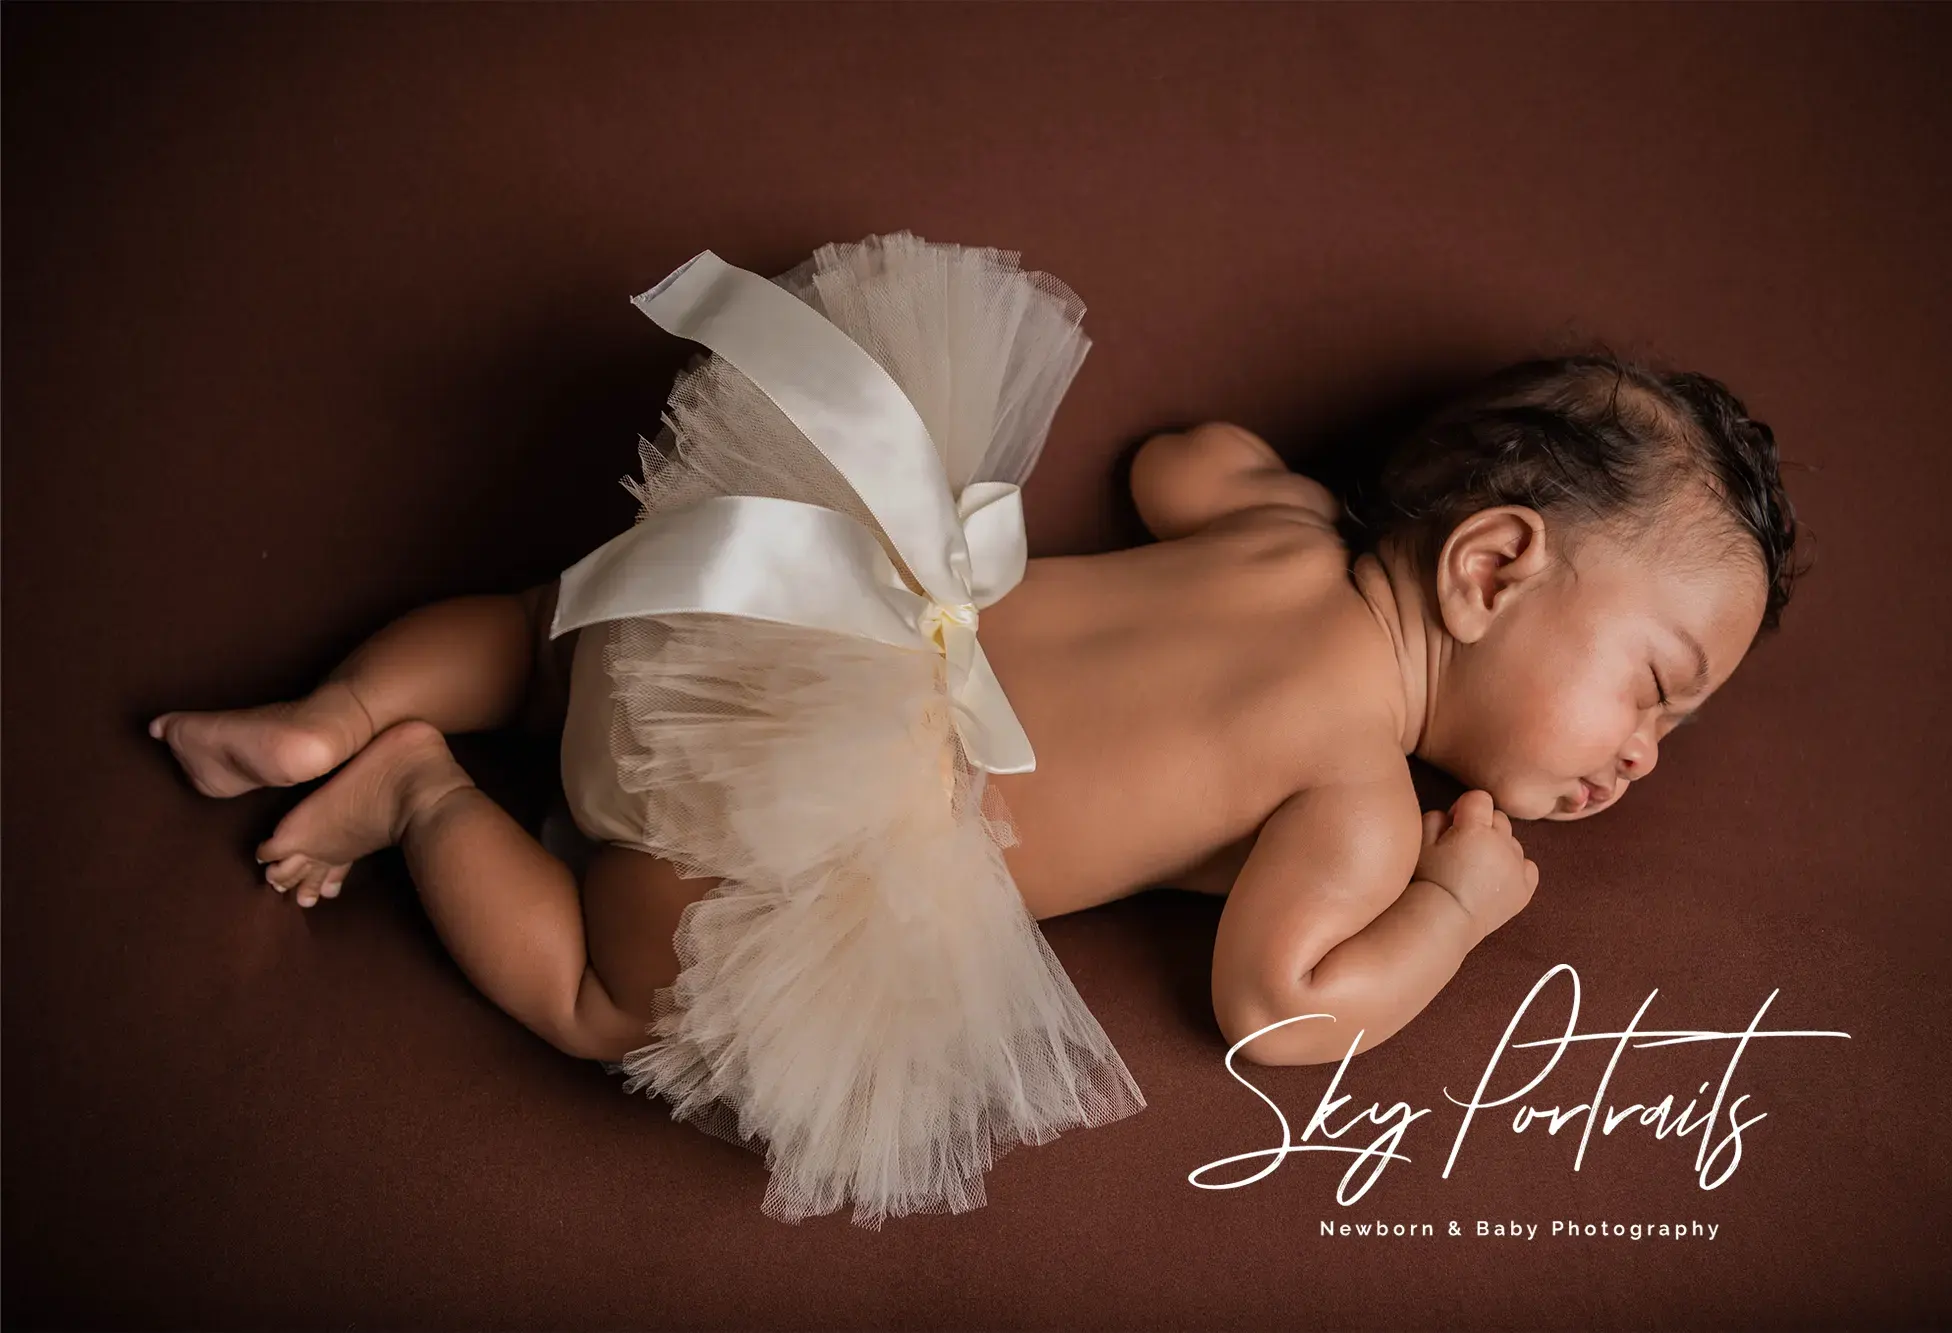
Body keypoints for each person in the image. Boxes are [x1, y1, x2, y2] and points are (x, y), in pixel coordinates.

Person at [147, 232, 1805, 1227]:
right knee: (608, 999)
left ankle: (340, 707)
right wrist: (1455, 906)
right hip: (798, 859)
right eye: (1656, 688)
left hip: (780, 626)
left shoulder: (1277, 534)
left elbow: (1175, 454)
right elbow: (1279, 1012)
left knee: (548, 622)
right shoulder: (1358, 796)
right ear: (1495, 565)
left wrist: (1295, 500)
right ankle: (418, 798)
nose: (1648, 754)